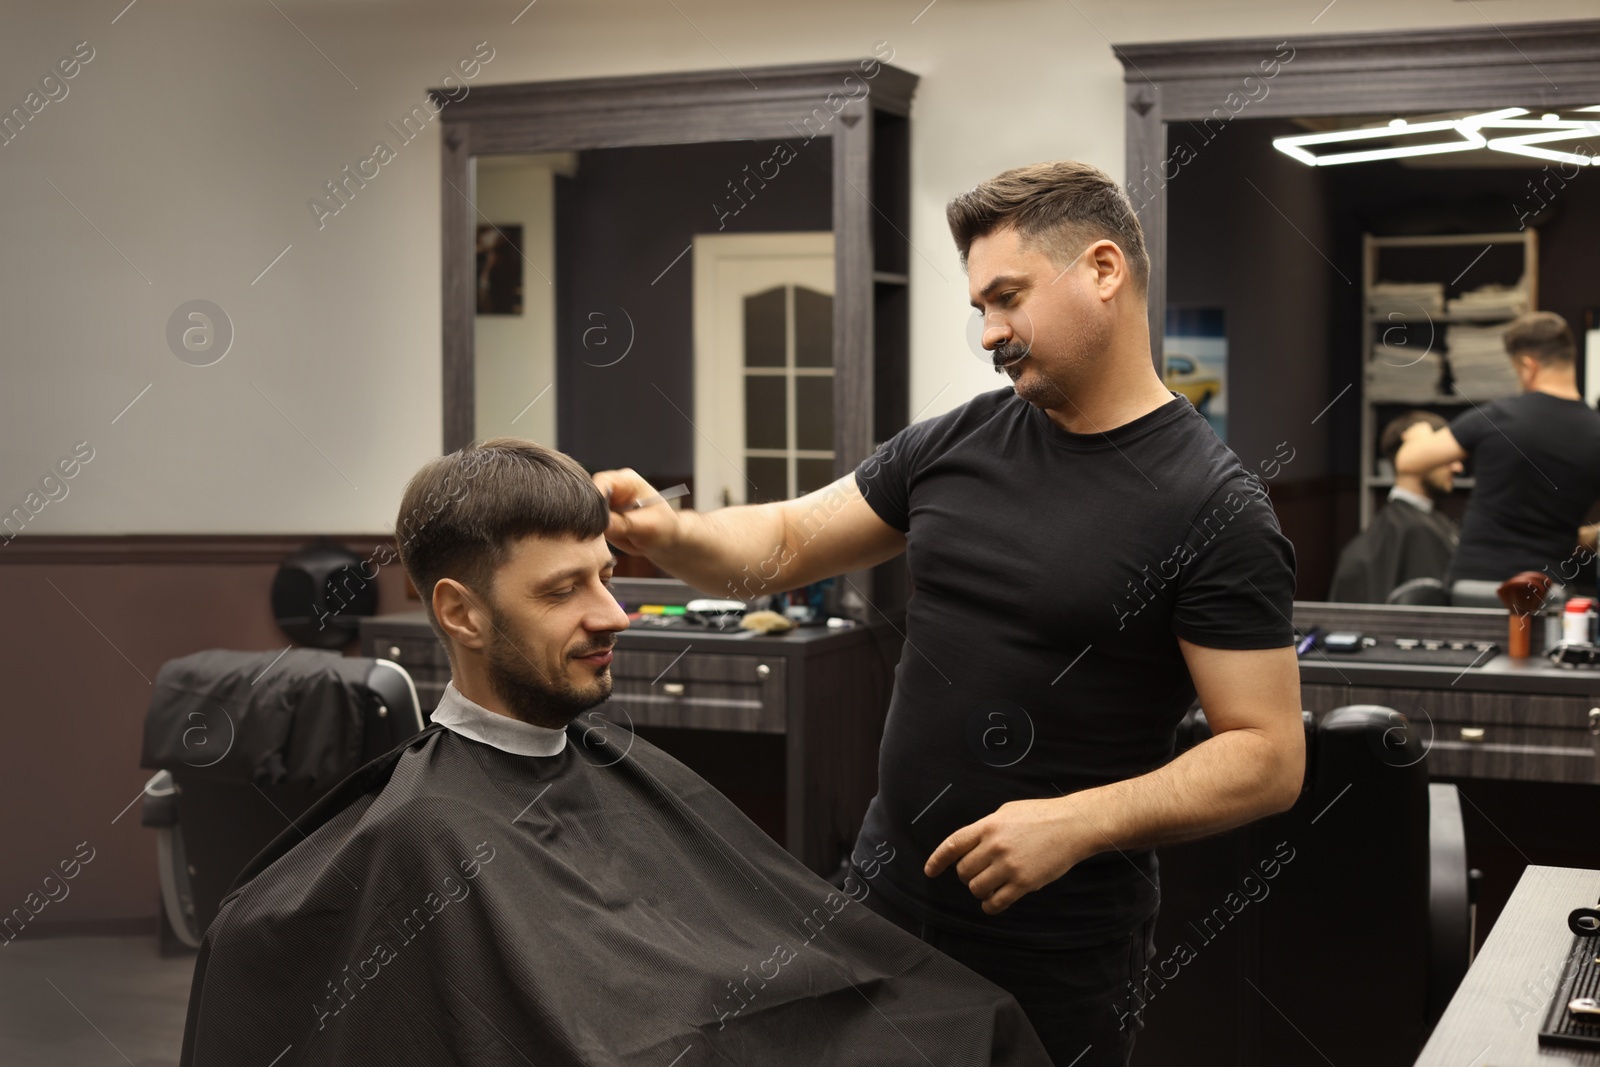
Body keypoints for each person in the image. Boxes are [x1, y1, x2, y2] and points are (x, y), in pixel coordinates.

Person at [595, 160, 1306, 1067]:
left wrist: (1077, 821)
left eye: (1005, 298)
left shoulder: (1216, 507)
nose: (989, 334)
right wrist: (671, 529)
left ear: (1102, 269)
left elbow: (1269, 756)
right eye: (979, 308)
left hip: (1056, 954)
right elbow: (787, 538)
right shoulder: (960, 438)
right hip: (881, 905)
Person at [178, 438, 1053, 1067]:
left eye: (607, 574)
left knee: (973, 1020)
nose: (615, 613)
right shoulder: (425, 832)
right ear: (461, 612)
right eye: (565, 589)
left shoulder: (610, 754)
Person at [1396, 311, 1600, 592]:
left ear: (1528, 366)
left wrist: (1420, 433)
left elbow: (1408, 461)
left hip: (1474, 586)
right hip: (1545, 593)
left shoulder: (1497, 417)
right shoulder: (1595, 431)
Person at [1329, 411, 1461, 602]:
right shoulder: (1413, 529)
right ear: (1413, 456)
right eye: (1444, 454)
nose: (1458, 467)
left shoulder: (1418, 524)